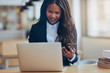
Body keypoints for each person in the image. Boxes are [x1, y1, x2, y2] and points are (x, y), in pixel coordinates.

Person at [28, 0, 78, 66]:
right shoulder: (35, 29)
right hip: (41, 68)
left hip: (63, 69)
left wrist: (71, 56)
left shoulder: (70, 29)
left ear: (63, 13)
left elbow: (75, 58)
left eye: (57, 13)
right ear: (44, 10)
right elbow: (31, 54)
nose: (53, 16)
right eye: (50, 11)